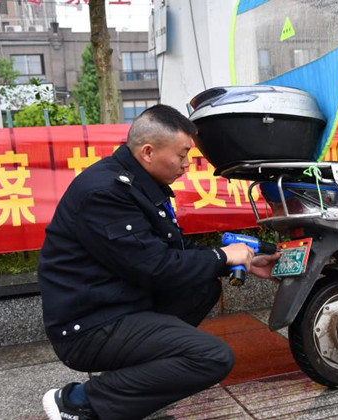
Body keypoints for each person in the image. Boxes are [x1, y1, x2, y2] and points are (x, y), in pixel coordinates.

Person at [38, 104, 279, 420]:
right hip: (90, 326)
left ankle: (127, 397)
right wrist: (221, 256)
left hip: (119, 305)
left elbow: (172, 250)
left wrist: (242, 261)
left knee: (203, 284)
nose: (186, 165)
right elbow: (154, 266)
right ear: (148, 152)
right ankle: (77, 403)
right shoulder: (105, 191)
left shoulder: (138, 184)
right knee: (211, 357)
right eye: (181, 156)